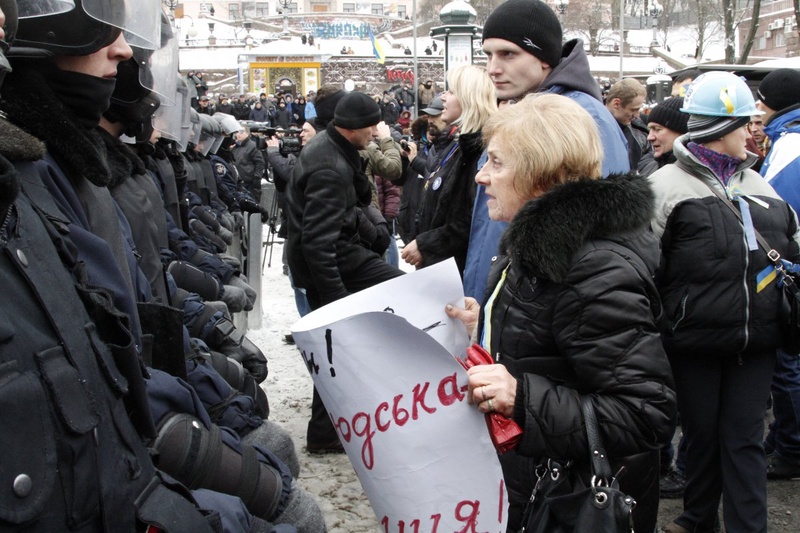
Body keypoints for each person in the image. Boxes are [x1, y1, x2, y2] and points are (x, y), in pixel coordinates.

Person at [446, 93, 676, 533]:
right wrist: (490, 325)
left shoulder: (592, 267)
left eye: (496, 163)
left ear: (540, 176)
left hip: (567, 503)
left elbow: (645, 414)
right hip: (533, 488)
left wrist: (522, 398)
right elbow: (560, 342)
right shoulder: (540, 242)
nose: (481, 177)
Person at [648, 71, 800, 533]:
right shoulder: (664, 188)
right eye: (744, 125)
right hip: (691, 342)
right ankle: (698, 518)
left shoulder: (760, 186)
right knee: (700, 436)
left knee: (744, 440)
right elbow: (644, 270)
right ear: (719, 129)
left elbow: (792, 249)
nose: (754, 132)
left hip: (755, 343)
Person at [462, 0, 629, 304]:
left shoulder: (580, 118)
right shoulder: (529, 111)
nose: (492, 68)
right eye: (488, 55)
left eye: (508, 54)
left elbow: (594, 250)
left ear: (543, 57)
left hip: (535, 320)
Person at [285, 90, 404, 452]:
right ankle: (327, 433)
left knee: (335, 352)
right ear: (354, 128)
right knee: (336, 349)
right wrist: (336, 301)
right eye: (371, 127)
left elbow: (347, 212)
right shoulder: (329, 166)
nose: (375, 133)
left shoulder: (334, 148)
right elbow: (318, 244)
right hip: (333, 266)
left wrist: (375, 234)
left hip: (341, 257)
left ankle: (327, 432)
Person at [401, 65, 495, 275]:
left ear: (469, 98)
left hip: (459, 274)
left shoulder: (482, 152)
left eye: (451, 91)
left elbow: (474, 221)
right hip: (443, 270)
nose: (442, 97)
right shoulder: (461, 148)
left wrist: (427, 245)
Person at [757, 68, 800, 480]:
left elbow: (771, 212)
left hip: (789, 270)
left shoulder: (789, 145)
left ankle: (792, 447)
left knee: (787, 364)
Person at [605, 78, 656, 174]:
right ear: (616, 104)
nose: (637, 115)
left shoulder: (641, 134)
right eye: (634, 109)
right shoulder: (590, 128)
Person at [646, 96, 689, 170]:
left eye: (657, 129)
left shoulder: (693, 174)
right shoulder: (646, 165)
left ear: (683, 133)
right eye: (650, 129)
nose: (649, 137)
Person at [233, 124, 267, 201]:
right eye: (237, 132)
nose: (238, 134)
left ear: (247, 133)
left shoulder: (253, 146)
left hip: (248, 182)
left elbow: (260, 163)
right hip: (237, 181)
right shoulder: (235, 146)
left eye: (241, 132)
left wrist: (256, 178)